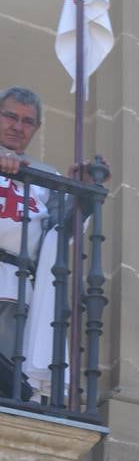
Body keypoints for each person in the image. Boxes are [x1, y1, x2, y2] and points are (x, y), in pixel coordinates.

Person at [0, 87, 63, 402]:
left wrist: (78, 193)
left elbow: (61, 230)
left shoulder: (45, 176)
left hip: (18, 292)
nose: (17, 126)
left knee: (11, 377)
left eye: (27, 121)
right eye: (10, 116)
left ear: (35, 129)